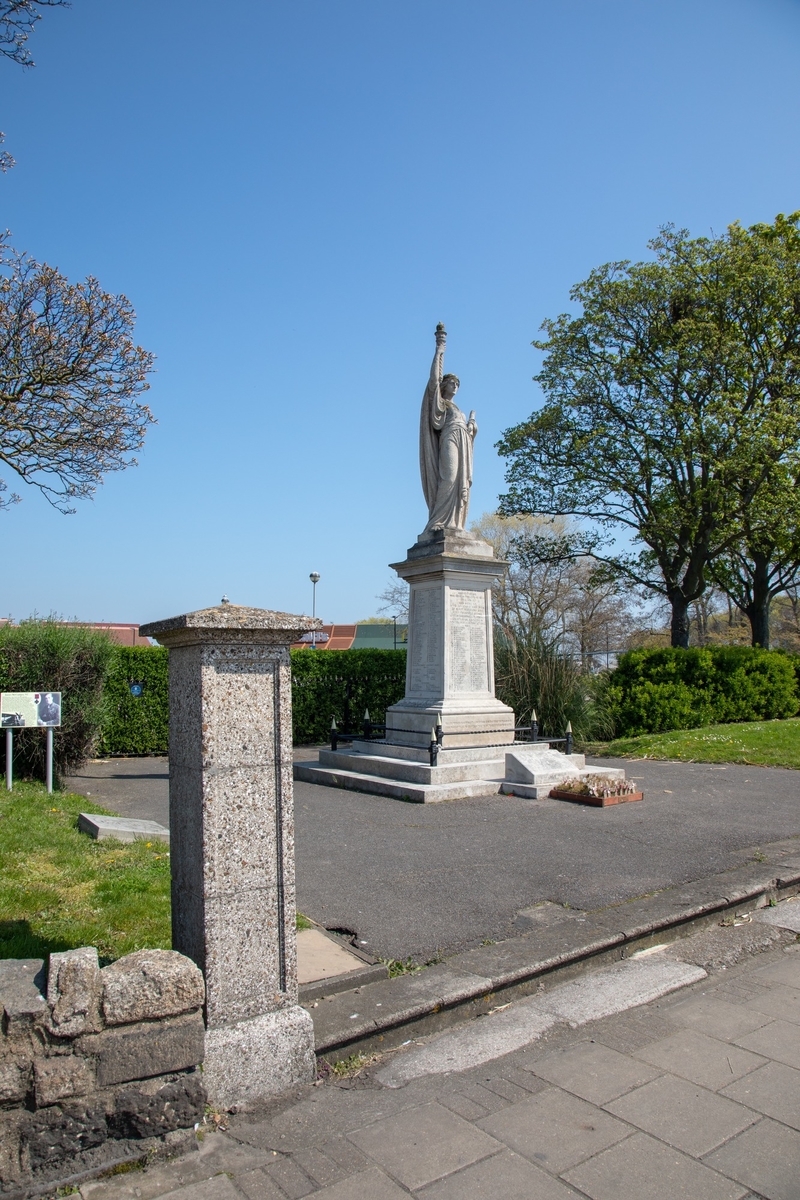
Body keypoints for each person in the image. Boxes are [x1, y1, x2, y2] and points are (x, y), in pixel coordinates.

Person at [419, 324, 478, 534]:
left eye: (457, 384)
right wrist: (440, 348)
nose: (455, 386)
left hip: (463, 442)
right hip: (450, 439)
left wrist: (471, 428)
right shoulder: (441, 404)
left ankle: (455, 524)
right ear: (445, 386)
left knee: (462, 486)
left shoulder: (458, 409)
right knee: (449, 477)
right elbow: (434, 381)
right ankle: (438, 520)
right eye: (452, 382)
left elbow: (469, 433)